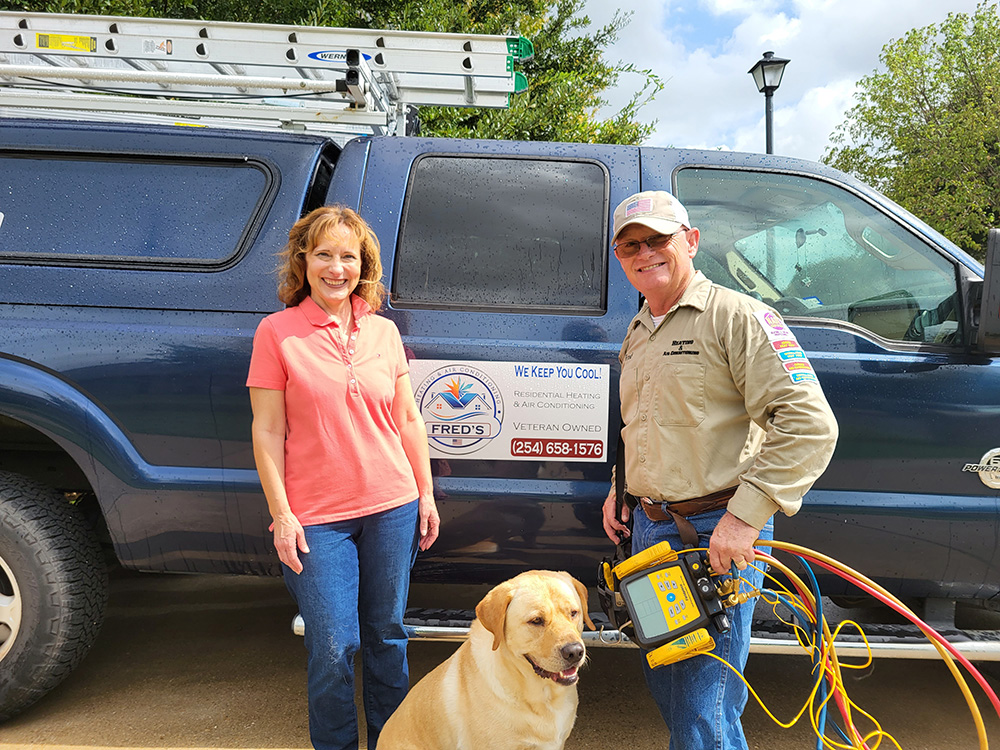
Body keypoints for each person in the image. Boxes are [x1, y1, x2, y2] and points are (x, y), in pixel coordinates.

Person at [601, 190, 838, 750]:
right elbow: (645, 425)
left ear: (691, 241)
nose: (645, 253)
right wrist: (622, 491)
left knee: (705, 704)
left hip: (718, 534)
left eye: (659, 239)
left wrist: (744, 521)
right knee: (672, 689)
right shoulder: (638, 332)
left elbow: (809, 425)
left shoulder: (739, 317)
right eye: (631, 244)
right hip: (651, 535)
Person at [247, 205, 439, 750]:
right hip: (316, 519)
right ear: (303, 260)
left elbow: (407, 419)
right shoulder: (277, 333)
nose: (336, 267)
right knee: (333, 646)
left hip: (392, 506)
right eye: (324, 254)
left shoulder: (383, 332)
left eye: (348, 256)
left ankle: (394, 741)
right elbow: (266, 432)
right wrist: (282, 516)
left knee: (388, 638)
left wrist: (425, 495)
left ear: (363, 265)